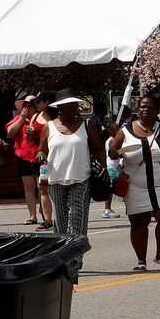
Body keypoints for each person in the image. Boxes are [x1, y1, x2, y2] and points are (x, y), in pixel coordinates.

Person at [111, 92, 160, 271]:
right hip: (136, 185)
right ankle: (141, 261)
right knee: (139, 223)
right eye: (142, 106)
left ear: (157, 111)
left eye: (150, 107)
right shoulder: (126, 130)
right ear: (137, 110)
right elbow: (113, 148)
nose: (145, 109)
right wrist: (113, 152)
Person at [37, 91, 99, 244]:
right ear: (60, 107)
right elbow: (42, 149)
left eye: (75, 104)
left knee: (77, 216)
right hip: (55, 179)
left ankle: (76, 257)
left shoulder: (86, 125)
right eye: (69, 105)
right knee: (61, 219)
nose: (73, 108)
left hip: (81, 177)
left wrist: (102, 166)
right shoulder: (49, 127)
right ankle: (62, 254)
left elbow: (98, 148)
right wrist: (41, 156)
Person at [5, 93, 46, 227]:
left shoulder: (41, 119)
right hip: (22, 156)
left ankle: (44, 212)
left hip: (39, 156)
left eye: (31, 105)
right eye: (25, 105)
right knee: (29, 187)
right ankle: (32, 216)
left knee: (41, 186)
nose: (28, 108)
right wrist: (22, 119)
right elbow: (10, 132)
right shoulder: (18, 118)